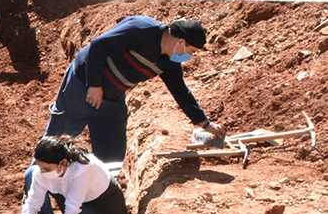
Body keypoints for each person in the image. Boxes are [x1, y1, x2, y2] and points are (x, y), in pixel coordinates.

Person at [45, 16, 226, 163]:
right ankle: (38, 199)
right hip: (81, 85)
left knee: (112, 155)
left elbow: (181, 92)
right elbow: (99, 45)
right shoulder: (142, 30)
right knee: (56, 144)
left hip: (113, 97)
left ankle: (102, 198)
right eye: (190, 51)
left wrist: (206, 125)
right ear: (180, 42)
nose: (188, 56)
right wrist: (94, 85)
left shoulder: (168, 62)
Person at [13, 136, 135, 214]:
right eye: (40, 167)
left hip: (101, 202)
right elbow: (31, 204)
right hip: (71, 195)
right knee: (31, 174)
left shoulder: (83, 167)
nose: (42, 172)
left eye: (47, 169)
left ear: (63, 163)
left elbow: (72, 207)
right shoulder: (45, 172)